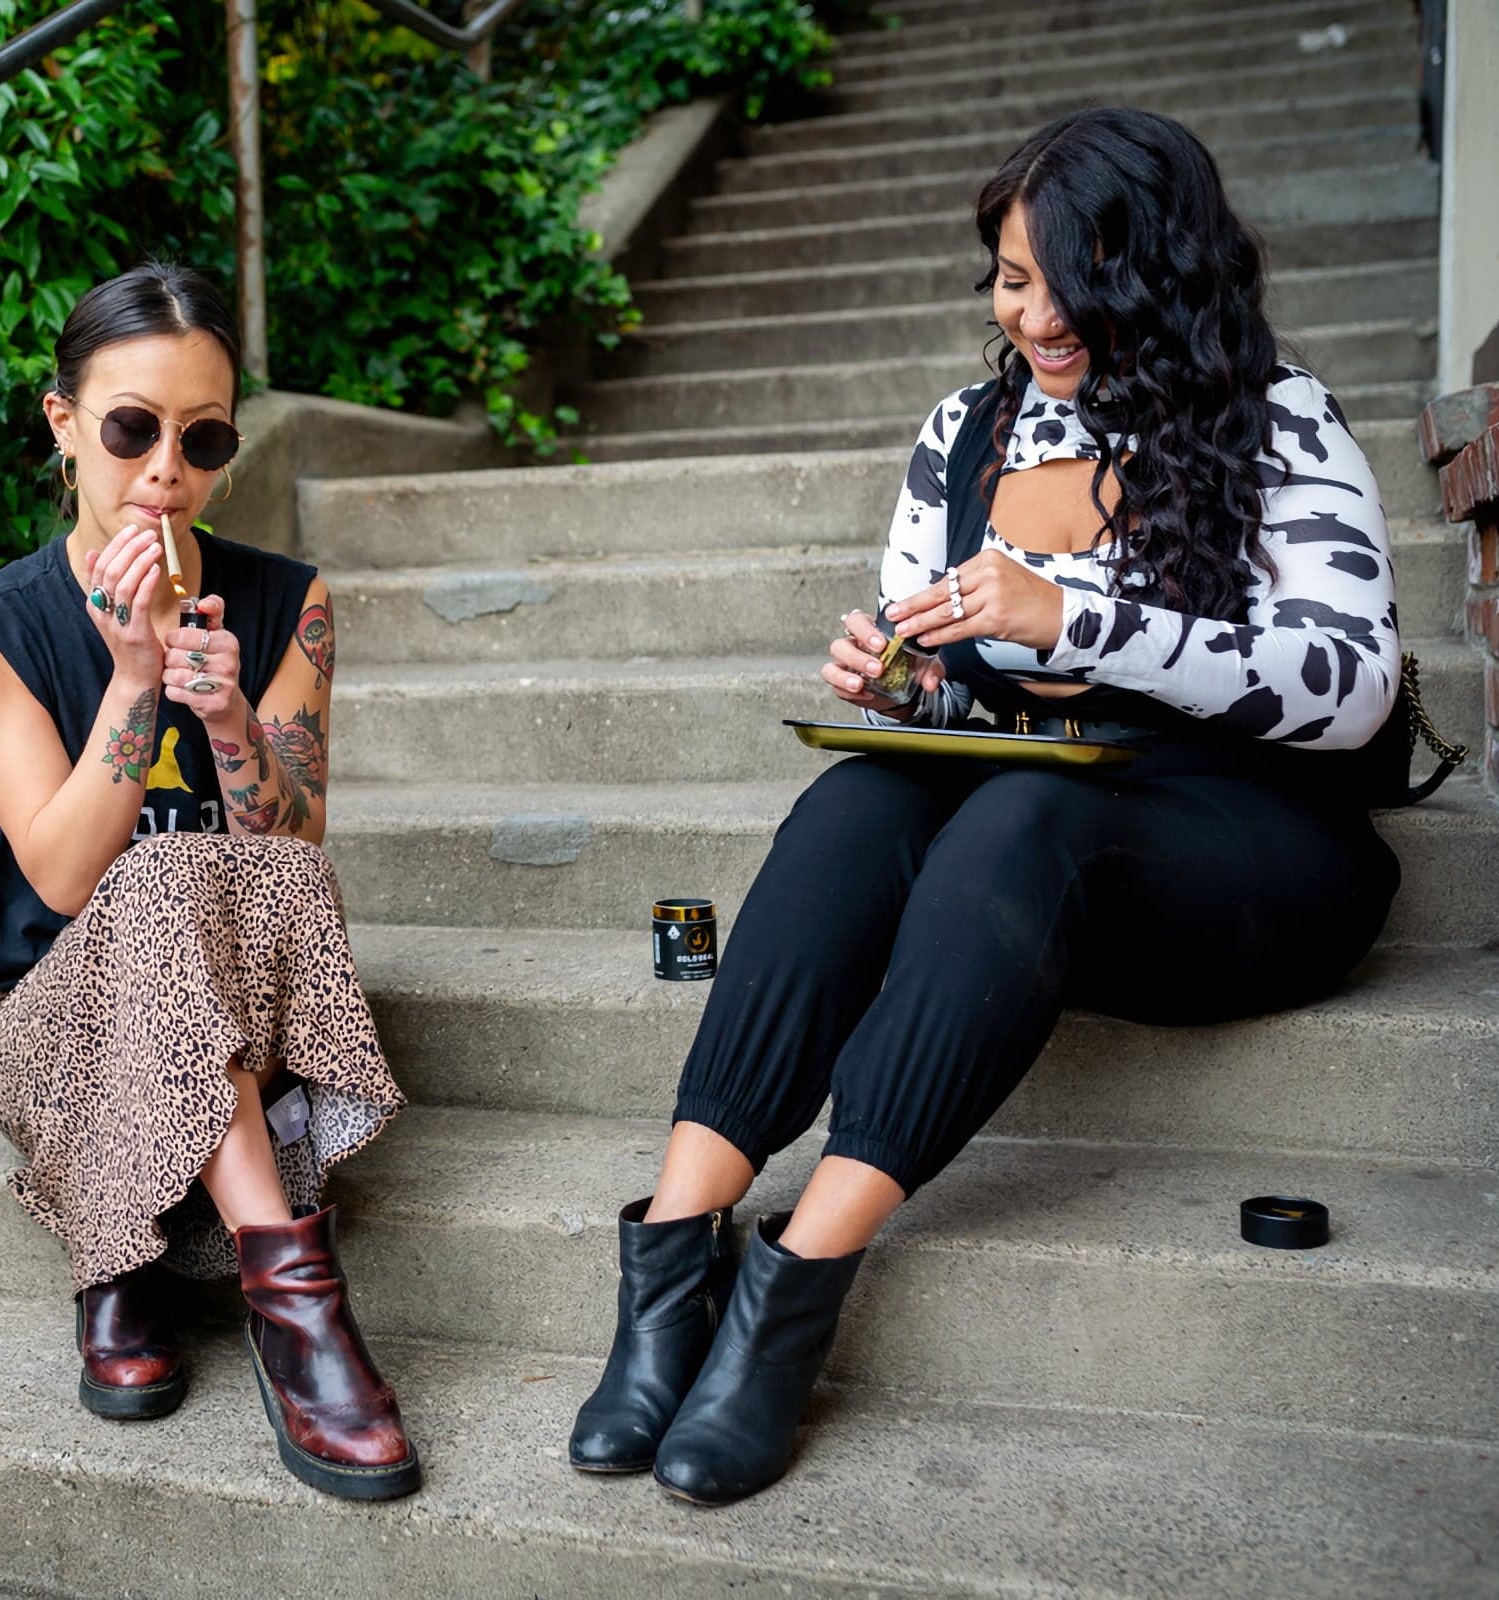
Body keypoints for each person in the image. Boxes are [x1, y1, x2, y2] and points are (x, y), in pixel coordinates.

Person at [568, 107, 1403, 1506]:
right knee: (857, 803)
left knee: (1027, 820)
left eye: (1076, 273)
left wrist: (1082, 620)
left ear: (1163, 270)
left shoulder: (1275, 419)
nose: (1041, 311)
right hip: (1039, 832)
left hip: (1250, 846)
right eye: (1014, 276)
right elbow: (957, 687)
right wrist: (902, 686)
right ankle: (672, 1258)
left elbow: (1351, 686)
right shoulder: (968, 435)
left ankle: (797, 1288)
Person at [0, 263, 419, 1502]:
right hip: (58, 1029)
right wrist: (135, 677)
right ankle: (297, 1307)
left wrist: (229, 717)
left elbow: (291, 863)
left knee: (211, 874)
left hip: (250, 1012)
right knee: (141, 880)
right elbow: (51, 875)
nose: (166, 469)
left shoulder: (286, 603)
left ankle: (122, 1256)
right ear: (61, 423)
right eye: (130, 427)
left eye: (202, 438)